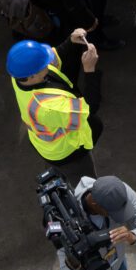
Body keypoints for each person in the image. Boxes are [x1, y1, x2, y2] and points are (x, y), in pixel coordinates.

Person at [9, 35, 100, 176]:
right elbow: (90, 108)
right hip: (66, 152)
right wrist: (90, 70)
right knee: (87, 186)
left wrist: (70, 41)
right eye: (45, 64)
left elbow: (54, 55)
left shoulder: (19, 75)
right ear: (32, 76)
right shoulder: (47, 107)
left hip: (44, 143)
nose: (49, 62)